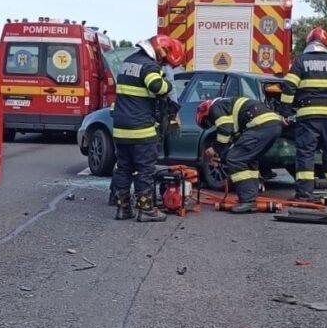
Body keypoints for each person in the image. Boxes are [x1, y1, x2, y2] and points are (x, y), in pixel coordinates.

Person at [109, 34, 183, 222]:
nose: (163, 64)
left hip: (121, 129)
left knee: (123, 169)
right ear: (161, 51)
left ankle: (123, 208)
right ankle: (146, 210)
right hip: (141, 129)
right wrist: (167, 85)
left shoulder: (128, 62)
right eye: (164, 61)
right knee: (145, 170)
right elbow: (157, 85)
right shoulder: (149, 66)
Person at [280, 27, 327, 202]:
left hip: (308, 115)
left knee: (306, 153)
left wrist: (285, 112)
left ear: (309, 42)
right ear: (326, 43)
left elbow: (289, 86)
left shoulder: (301, 61)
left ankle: (304, 193)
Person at [197, 97, 283, 213]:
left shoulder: (215, 108)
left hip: (259, 126)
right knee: (248, 159)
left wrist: (214, 149)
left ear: (205, 111)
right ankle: (251, 196)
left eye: (207, 121)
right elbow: (234, 139)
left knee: (235, 159)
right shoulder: (227, 106)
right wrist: (221, 155)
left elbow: (225, 129)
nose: (212, 123)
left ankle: (248, 201)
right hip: (273, 126)